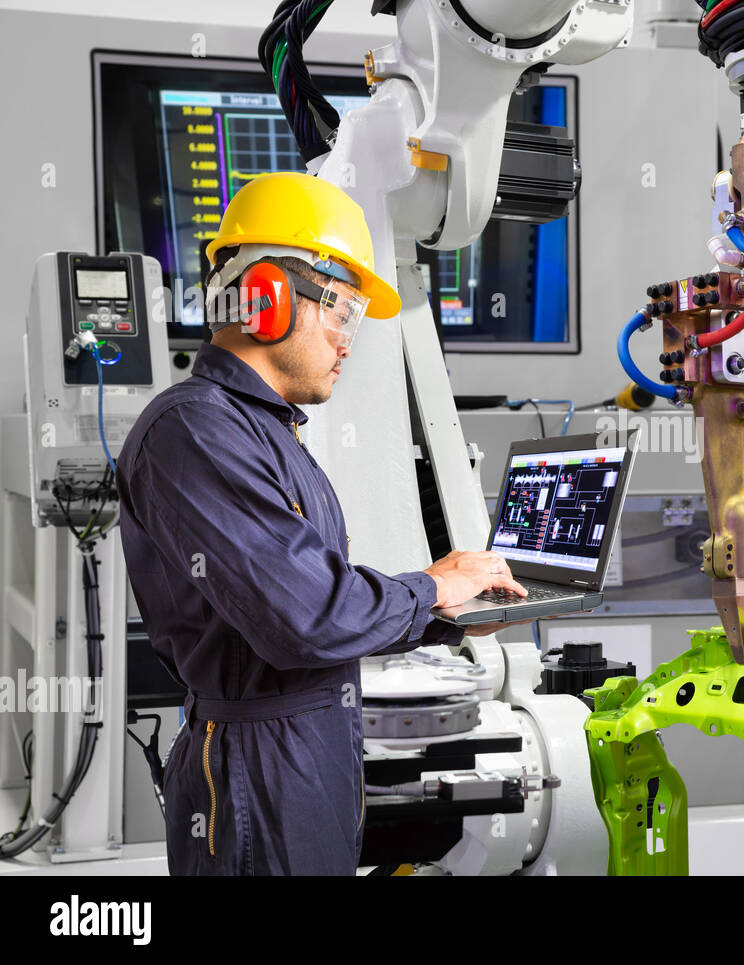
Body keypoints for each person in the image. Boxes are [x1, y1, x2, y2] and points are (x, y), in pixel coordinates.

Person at [117, 172, 527, 875]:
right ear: (268, 299)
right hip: (254, 776)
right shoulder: (193, 431)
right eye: (339, 311)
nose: (348, 340)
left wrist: (451, 615)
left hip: (307, 755)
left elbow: (314, 597)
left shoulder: (268, 431)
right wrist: (431, 588)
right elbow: (304, 616)